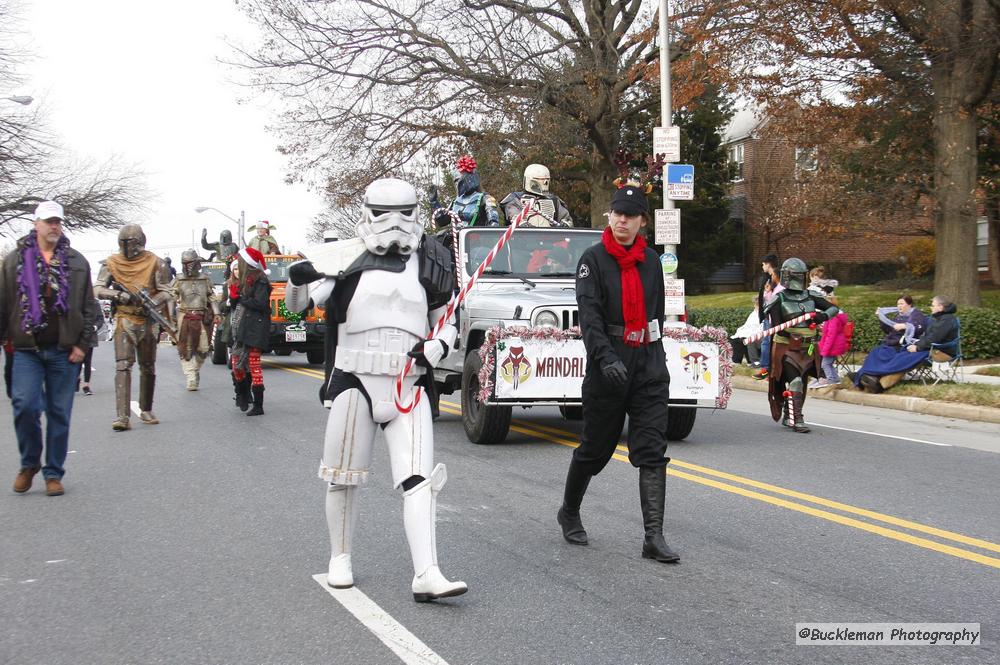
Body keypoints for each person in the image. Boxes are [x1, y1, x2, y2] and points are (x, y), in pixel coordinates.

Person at [284, 177, 468, 601]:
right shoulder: (344, 256)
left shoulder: (431, 259)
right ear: (368, 211)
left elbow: (446, 316)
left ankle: (427, 571)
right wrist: (298, 278)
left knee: (421, 479)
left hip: (408, 380)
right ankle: (340, 557)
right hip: (355, 376)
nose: (397, 223)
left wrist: (437, 345)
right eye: (387, 213)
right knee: (342, 476)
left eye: (407, 212)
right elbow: (301, 304)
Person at [556, 184, 679, 564]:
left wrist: (654, 360)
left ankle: (653, 537)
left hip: (648, 363)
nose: (622, 220)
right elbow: (589, 319)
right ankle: (569, 511)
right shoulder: (592, 260)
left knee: (652, 451)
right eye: (617, 213)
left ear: (642, 222)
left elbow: (656, 312)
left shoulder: (653, 262)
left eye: (631, 215)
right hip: (608, 364)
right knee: (596, 449)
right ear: (610, 216)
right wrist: (606, 358)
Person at [1, 201, 97, 496]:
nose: (54, 226)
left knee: (59, 413)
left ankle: (53, 473)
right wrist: (5, 342)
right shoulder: (15, 260)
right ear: (36, 224)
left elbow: (89, 308)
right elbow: (4, 305)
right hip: (26, 349)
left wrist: (82, 345)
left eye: (58, 222)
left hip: (64, 351)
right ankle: (29, 463)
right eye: (48, 221)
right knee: (25, 407)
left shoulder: (77, 261)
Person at [94, 224, 171, 431]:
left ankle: (146, 408)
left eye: (132, 243)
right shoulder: (111, 263)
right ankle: (122, 416)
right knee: (122, 365)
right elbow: (98, 288)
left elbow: (166, 291)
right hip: (124, 318)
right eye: (124, 243)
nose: (128, 247)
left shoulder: (155, 262)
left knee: (147, 366)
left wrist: (152, 302)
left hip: (146, 320)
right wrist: (118, 295)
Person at [762, 258, 840, 433]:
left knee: (802, 382)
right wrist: (788, 332)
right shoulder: (778, 299)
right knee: (795, 381)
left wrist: (822, 316)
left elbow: (833, 309)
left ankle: (790, 413)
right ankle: (798, 419)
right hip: (786, 348)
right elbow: (776, 326)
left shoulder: (810, 296)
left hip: (809, 348)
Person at [857, 295, 958, 393]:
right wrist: (916, 345)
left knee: (905, 358)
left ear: (940, 307)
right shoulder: (938, 318)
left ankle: (880, 385)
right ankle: (875, 379)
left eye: (933, 305)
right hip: (931, 348)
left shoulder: (947, 320)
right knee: (902, 355)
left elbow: (934, 338)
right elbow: (928, 337)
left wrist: (917, 347)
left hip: (942, 352)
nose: (931, 307)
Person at [850, 295, 928, 391]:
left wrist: (905, 326)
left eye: (902, 303)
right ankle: (865, 376)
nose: (899, 306)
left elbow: (918, 328)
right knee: (876, 351)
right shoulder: (898, 316)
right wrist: (881, 318)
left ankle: (863, 376)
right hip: (891, 342)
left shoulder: (916, 314)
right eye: (898, 304)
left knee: (884, 354)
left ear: (909, 304)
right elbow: (888, 330)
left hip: (901, 344)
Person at [171, 250, 221, 391]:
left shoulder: (204, 279)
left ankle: (195, 369)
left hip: (201, 316)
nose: (188, 266)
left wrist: (216, 312)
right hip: (184, 316)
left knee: (204, 349)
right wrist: (170, 315)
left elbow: (211, 296)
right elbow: (171, 297)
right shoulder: (179, 279)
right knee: (185, 349)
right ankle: (191, 377)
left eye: (190, 263)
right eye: (185, 263)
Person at [230, 247, 271, 415]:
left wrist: (241, 298)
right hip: (242, 328)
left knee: (254, 366)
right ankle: (243, 394)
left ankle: (258, 405)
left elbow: (260, 304)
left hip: (255, 328)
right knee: (236, 364)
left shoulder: (260, 280)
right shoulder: (244, 281)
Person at [430, 155, 500, 230]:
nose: (457, 184)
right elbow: (442, 221)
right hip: (456, 238)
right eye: (455, 181)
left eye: (458, 180)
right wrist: (434, 202)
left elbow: (494, 225)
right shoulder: (455, 202)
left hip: (477, 238)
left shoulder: (485, 198)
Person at [500, 164, 574, 227]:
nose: (544, 183)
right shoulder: (515, 198)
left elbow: (567, 219)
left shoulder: (554, 200)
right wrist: (524, 225)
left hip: (549, 240)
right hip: (522, 240)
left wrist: (565, 224)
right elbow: (514, 215)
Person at [754, 254, 781, 380]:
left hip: (773, 316)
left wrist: (768, 291)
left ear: (769, 264)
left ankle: (767, 369)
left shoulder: (776, 279)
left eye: (764, 264)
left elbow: (776, 297)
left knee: (768, 343)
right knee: (767, 342)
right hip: (766, 315)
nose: (762, 266)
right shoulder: (765, 278)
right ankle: (767, 369)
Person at [78, 298, 108, 396]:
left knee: (87, 361)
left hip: (90, 336)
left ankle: (86, 385)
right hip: (77, 335)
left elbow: (100, 319)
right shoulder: (77, 300)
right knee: (78, 360)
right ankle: (76, 379)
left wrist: (95, 327)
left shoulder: (95, 303)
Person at [731, 296, 762, 367]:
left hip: (758, 334)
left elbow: (760, 327)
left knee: (746, 338)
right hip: (749, 331)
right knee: (736, 339)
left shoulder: (763, 313)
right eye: (755, 304)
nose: (755, 306)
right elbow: (747, 325)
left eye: (757, 304)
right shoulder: (753, 313)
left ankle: (750, 361)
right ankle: (737, 361)